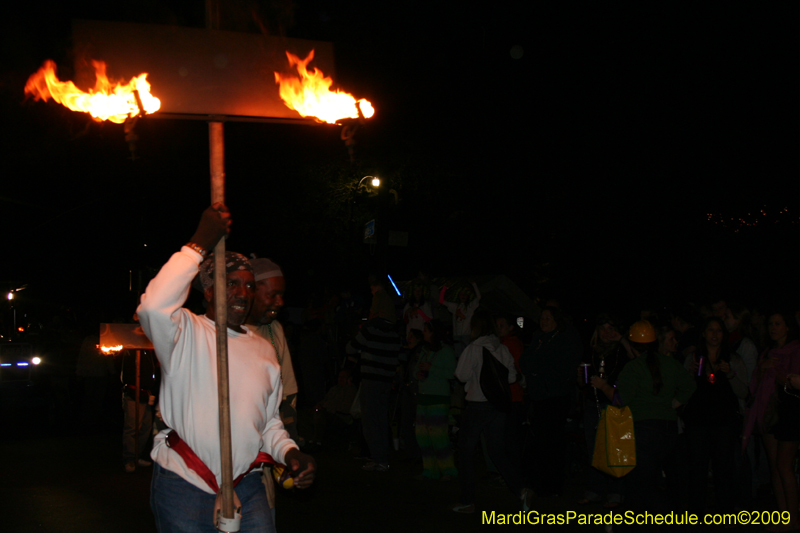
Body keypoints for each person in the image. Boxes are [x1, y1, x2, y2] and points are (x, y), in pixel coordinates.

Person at [137, 203, 314, 533]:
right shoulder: (184, 333)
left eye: (249, 285)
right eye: (231, 282)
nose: (243, 293)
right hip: (184, 481)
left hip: (246, 484)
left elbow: (268, 422)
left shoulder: (264, 350)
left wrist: (289, 451)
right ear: (208, 290)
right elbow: (153, 306)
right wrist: (198, 243)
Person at [452, 308, 531, 513]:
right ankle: (520, 489)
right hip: (498, 406)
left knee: (466, 452)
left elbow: (460, 375)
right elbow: (512, 377)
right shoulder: (502, 348)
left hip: (477, 405)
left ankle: (468, 500)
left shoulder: (473, 348)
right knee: (497, 452)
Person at [614, 320, 696, 515]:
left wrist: (603, 387)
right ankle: (625, 527)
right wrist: (674, 403)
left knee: (642, 484)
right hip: (668, 431)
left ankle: (673, 523)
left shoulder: (633, 368)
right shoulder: (669, 363)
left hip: (644, 432)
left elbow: (620, 400)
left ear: (632, 344)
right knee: (641, 482)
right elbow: (690, 386)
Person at [245, 257, 300, 526]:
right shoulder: (218, 333)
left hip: (263, 459)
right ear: (250, 291)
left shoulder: (274, 331)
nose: (280, 302)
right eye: (273, 294)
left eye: (282, 295)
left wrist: (289, 449)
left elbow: (287, 394)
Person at [682, 316, 748, 514]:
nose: (714, 334)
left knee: (724, 468)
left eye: (718, 330)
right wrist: (690, 375)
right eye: (710, 330)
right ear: (703, 333)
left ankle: (725, 510)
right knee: (697, 467)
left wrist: (730, 374)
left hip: (724, 421)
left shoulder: (733, 358)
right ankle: (696, 510)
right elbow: (682, 390)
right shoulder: (693, 358)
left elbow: (744, 392)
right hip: (698, 421)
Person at [744, 312, 800, 532]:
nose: (773, 328)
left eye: (778, 323)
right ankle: (783, 515)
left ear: (788, 327)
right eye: (770, 324)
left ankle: (793, 518)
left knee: (785, 466)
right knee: (775, 467)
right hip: (768, 414)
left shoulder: (795, 350)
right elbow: (753, 387)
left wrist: (776, 371)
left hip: (790, 413)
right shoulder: (767, 352)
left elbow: (793, 382)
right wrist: (762, 369)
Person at [520, 306, 582, 498]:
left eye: (548, 318)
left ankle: (554, 485)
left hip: (555, 399)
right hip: (538, 398)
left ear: (556, 321)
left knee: (553, 444)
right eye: (542, 317)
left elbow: (559, 368)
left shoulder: (563, 340)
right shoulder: (538, 338)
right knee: (539, 443)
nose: (544, 321)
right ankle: (539, 482)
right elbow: (525, 363)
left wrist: (540, 371)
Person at [578, 313, 629, 508]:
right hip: (593, 404)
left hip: (614, 404)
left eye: (611, 328)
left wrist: (621, 339)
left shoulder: (621, 351)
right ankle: (594, 491)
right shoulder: (591, 350)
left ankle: (616, 493)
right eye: (603, 329)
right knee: (594, 450)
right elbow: (583, 376)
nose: (607, 333)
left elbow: (638, 357)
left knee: (614, 449)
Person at [345, 315, 402, 472]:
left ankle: (379, 459)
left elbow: (350, 348)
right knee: (381, 420)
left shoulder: (369, 331)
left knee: (370, 422)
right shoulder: (395, 335)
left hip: (371, 381)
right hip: (386, 382)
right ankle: (381, 457)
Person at [414, 320, 457, 480]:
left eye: (426, 330)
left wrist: (432, 369)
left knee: (439, 436)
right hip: (423, 397)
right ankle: (429, 470)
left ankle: (448, 470)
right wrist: (417, 375)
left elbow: (452, 373)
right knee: (423, 436)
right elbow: (416, 369)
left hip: (438, 398)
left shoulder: (446, 352)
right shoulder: (425, 350)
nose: (423, 333)